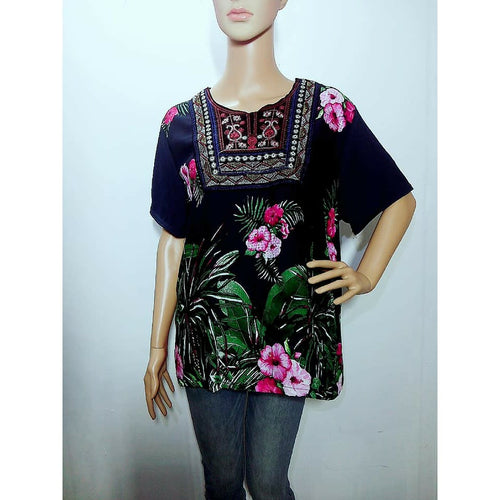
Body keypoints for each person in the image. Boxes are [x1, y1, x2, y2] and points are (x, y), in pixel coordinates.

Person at [144, 1, 416, 499]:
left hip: (287, 342)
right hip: (209, 340)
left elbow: (398, 199)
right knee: (221, 484)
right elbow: (173, 238)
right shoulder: (179, 124)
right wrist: (157, 346)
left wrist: (366, 274)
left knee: (268, 483)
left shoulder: (325, 112)